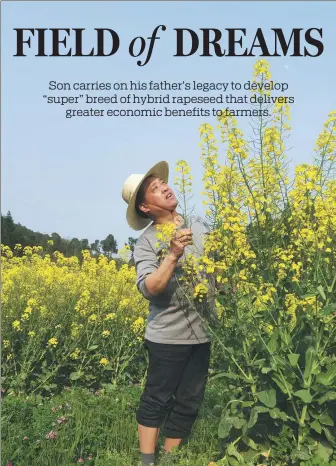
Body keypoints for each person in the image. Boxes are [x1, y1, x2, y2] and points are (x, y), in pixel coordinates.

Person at [122, 160, 217, 466]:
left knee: (190, 401)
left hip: (202, 334)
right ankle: (147, 462)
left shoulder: (200, 225)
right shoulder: (147, 242)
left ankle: (171, 459)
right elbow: (151, 287)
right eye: (153, 188)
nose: (164, 186)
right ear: (146, 208)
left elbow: (218, 273)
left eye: (161, 183)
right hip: (167, 337)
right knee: (157, 400)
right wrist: (173, 253)